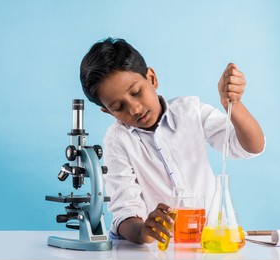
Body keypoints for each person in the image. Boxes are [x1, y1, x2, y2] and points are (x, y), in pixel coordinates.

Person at [80, 37, 265, 244]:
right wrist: (142, 231)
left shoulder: (190, 112)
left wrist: (234, 105)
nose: (134, 109)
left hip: (213, 243)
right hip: (164, 251)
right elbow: (125, 213)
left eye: (136, 92)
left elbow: (252, 146)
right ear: (107, 111)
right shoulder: (118, 141)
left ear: (151, 78)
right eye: (118, 107)